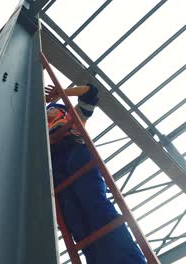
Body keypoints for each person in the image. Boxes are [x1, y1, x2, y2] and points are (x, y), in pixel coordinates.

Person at [45, 83, 146, 264]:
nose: (48, 111)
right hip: (56, 167)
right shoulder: (40, 133)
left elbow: (90, 91)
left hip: (76, 153)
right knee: (75, 223)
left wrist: (61, 93)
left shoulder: (73, 116)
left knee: (96, 206)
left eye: (52, 109)